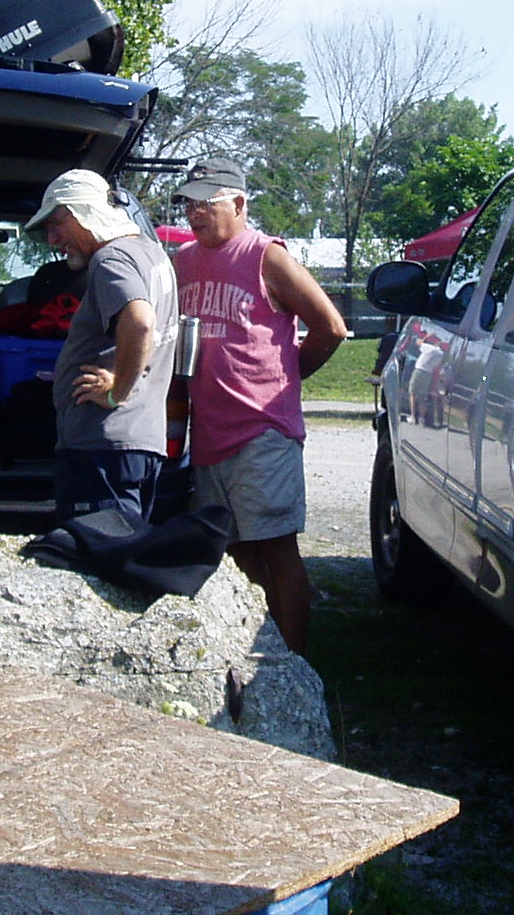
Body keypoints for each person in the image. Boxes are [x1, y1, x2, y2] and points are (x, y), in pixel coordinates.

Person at [171, 156, 348, 652]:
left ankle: (294, 666)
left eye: (205, 203)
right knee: (235, 554)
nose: (194, 213)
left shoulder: (266, 255)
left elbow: (332, 327)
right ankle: (253, 655)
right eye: (188, 204)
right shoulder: (183, 261)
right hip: (209, 433)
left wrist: (289, 377)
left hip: (263, 432)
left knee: (276, 549)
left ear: (238, 203)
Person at [25, 169, 179, 525]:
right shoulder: (151, 254)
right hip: (138, 443)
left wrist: (116, 393)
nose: (52, 239)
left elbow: (140, 322)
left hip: (103, 448)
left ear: (83, 213)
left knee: (98, 549)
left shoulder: (111, 259)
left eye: (56, 224)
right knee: (125, 547)